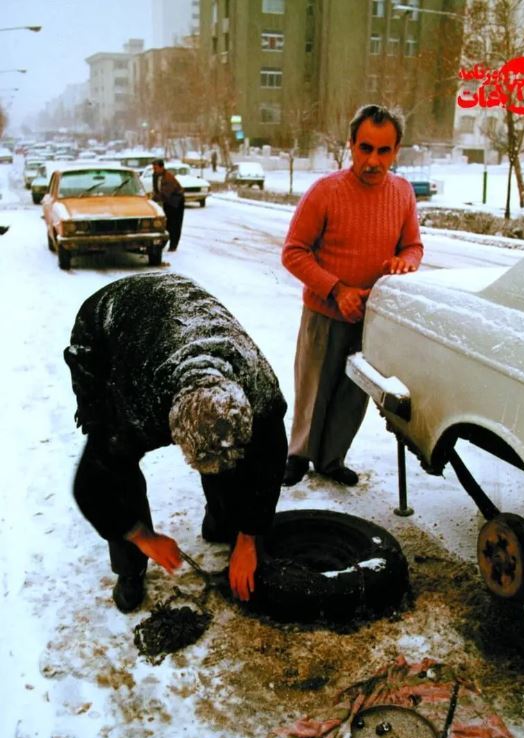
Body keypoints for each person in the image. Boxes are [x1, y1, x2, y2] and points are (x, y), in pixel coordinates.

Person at [64, 274, 288, 612]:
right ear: (173, 434)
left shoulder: (260, 393)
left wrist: (248, 535)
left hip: (186, 313)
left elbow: (268, 461)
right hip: (104, 326)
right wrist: (143, 537)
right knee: (114, 463)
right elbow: (91, 488)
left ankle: (223, 520)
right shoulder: (139, 409)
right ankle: (130, 568)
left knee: (229, 454)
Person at [281, 103, 424, 488]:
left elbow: (414, 246)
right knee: (314, 387)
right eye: (365, 148)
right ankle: (298, 454)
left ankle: (331, 458)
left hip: (370, 319)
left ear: (396, 151)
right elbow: (293, 252)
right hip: (325, 313)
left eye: (383, 150)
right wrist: (336, 289)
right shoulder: (325, 192)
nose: (373, 160)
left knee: (352, 395)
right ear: (351, 145)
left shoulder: (402, 192)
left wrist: (404, 261)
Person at [152, 159, 184, 251]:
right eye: (153, 168)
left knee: (175, 224)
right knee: (166, 223)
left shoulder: (168, 177)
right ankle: (163, 244)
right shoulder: (155, 175)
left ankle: (173, 245)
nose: (154, 169)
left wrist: (152, 199)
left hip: (176, 201)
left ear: (162, 167)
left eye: (155, 167)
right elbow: (157, 190)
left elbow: (165, 194)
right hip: (167, 200)